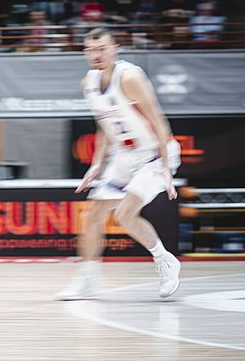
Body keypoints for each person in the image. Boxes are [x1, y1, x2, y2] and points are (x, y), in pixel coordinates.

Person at [56, 28, 182, 301]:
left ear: (115, 49)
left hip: (154, 153)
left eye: (102, 48)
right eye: (91, 50)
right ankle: (88, 281)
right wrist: (96, 164)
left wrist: (166, 168)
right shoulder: (89, 82)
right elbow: (104, 125)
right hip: (124, 155)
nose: (96, 54)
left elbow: (159, 122)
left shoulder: (129, 77)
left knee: (125, 214)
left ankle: (165, 260)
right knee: (93, 215)